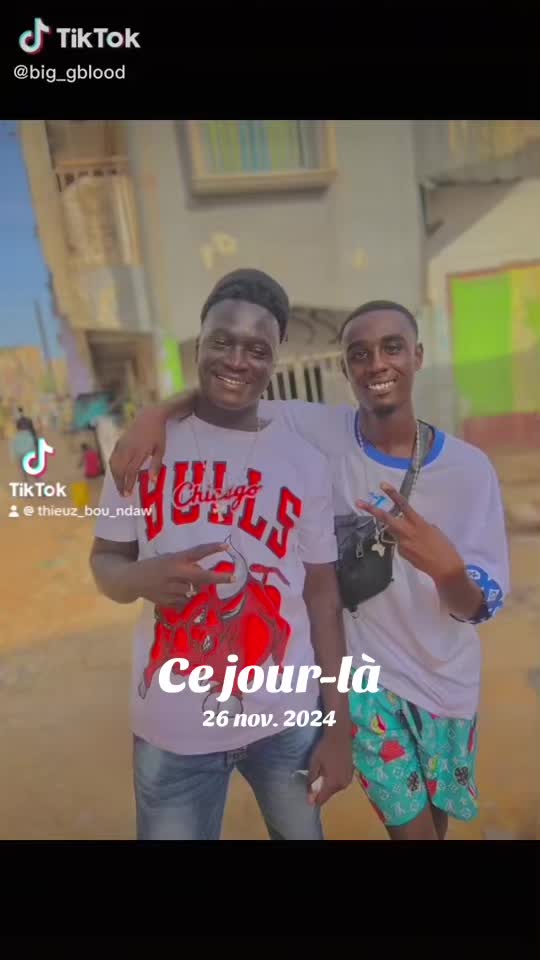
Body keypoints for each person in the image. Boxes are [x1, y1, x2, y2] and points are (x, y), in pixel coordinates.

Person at [108, 298, 510, 841]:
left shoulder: (469, 470)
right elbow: (229, 390)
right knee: (413, 833)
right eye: (360, 353)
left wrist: (447, 570)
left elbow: (478, 607)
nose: (377, 363)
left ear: (417, 356)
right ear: (345, 369)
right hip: (367, 681)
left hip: (445, 681)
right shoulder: (319, 428)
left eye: (392, 348)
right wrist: (153, 415)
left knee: (434, 828)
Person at [90, 269, 353, 841]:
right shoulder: (143, 450)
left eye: (257, 349)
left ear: (275, 359)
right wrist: (138, 578)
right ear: (198, 344)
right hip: (173, 729)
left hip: (286, 722)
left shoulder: (303, 460)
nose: (237, 360)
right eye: (222, 341)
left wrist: (339, 725)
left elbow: (322, 596)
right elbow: (104, 561)